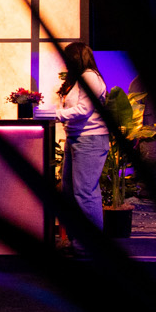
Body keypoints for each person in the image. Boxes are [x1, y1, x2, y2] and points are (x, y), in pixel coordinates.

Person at [50, 42, 107, 234]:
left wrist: (54, 114)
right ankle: (77, 242)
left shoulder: (89, 76)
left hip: (89, 139)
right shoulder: (77, 79)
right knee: (70, 192)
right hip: (77, 138)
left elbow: (84, 110)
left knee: (84, 193)